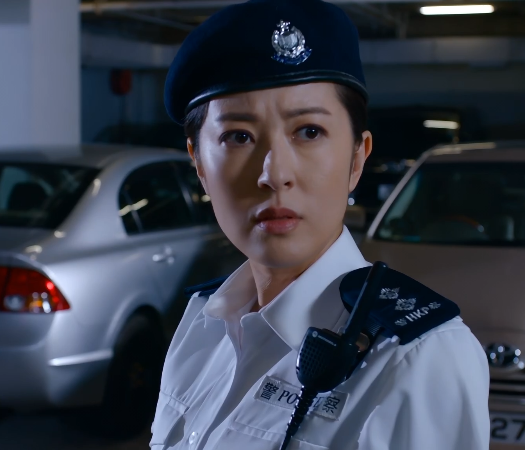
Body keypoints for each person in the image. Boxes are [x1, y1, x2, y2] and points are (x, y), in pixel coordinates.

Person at [151, 0, 490, 449]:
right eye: (238, 136)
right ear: (198, 164)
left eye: (309, 131)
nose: (274, 174)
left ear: (357, 159)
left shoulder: (418, 357)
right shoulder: (204, 320)